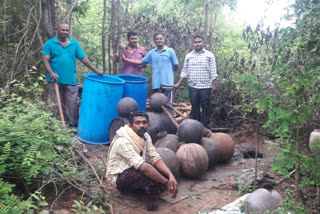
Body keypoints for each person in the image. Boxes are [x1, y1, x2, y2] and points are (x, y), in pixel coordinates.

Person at [106, 111, 178, 211]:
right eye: (138, 123)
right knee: (152, 175)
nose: (142, 126)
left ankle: (141, 188)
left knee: (162, 172)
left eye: (144, 122)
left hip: (134, 169)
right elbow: (143, 167)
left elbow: (155, 158)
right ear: (131, 125)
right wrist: (166, 182)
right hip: (120, 177)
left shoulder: (145, 136)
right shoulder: (123, 141)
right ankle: (152, 205)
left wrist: (171, 175)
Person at [43, 23, 103, 127]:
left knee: (73, 105)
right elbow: (46, 60)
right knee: (57, 105)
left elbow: (83, 59)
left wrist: (96, 70)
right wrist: (51, 72)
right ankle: (60, 126)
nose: (65, 32)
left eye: (66, 30)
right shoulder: (49, 44)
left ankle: (74, 126)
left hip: (70, 80)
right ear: (57, 30)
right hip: (54, 80)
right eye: (62, 30)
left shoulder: (74, 44)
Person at [174, 35, 218, 128]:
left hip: (205, 87)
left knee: (206, 108)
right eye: (195, 42)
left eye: (199, 42)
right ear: (193, 43)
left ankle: (206, 128)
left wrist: (214, 84)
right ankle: (196, 128)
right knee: (195, 108)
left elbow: (213, 70)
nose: (197, 44)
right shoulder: (189, 56)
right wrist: (178, 83)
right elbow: (185, 70)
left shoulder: (209, 55)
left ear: (203, 43)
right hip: (193, 87)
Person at [122, 33, 179, 103]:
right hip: (156, 84)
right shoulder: (151, 53)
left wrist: (168, 73)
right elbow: (140, 62)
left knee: (168, 104)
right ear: (154, 41)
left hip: (168, 83)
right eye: (157, 39)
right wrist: (125, 59)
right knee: (157, 104)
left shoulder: (170, 51)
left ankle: (168, 114)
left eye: (161, 39)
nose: (159, 40)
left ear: (163, 40)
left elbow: (176, 65)